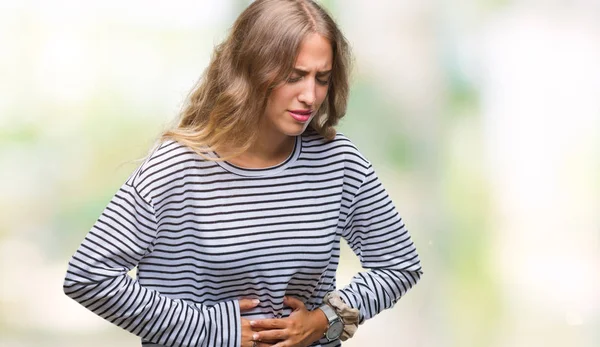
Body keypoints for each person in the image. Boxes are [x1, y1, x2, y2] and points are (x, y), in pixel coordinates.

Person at [63, 1, 423, 346]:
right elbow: (89, 276)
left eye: (322, 78)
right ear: (250, 70)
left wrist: (323, 321)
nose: (310, 96)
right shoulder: (176, 167)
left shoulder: (338, 162)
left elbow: (398, 265)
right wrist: (212, 330)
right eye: (294, 76)